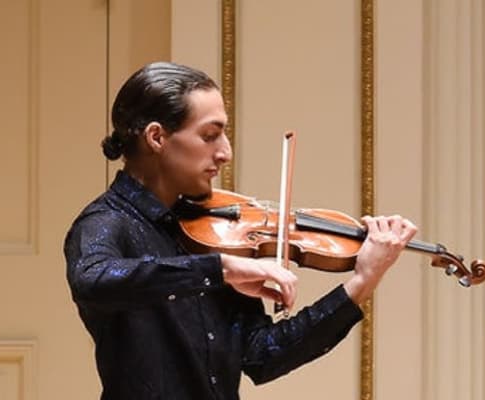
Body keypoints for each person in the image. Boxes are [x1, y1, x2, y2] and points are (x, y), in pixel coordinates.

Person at [63, 61, 418, 400]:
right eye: (210, 135)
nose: (225, 152)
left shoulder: (212, 234)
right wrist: (220, 269)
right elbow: (92, 280)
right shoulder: (106, 222)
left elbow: (263, 355)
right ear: (157, 137)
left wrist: (361, 283)